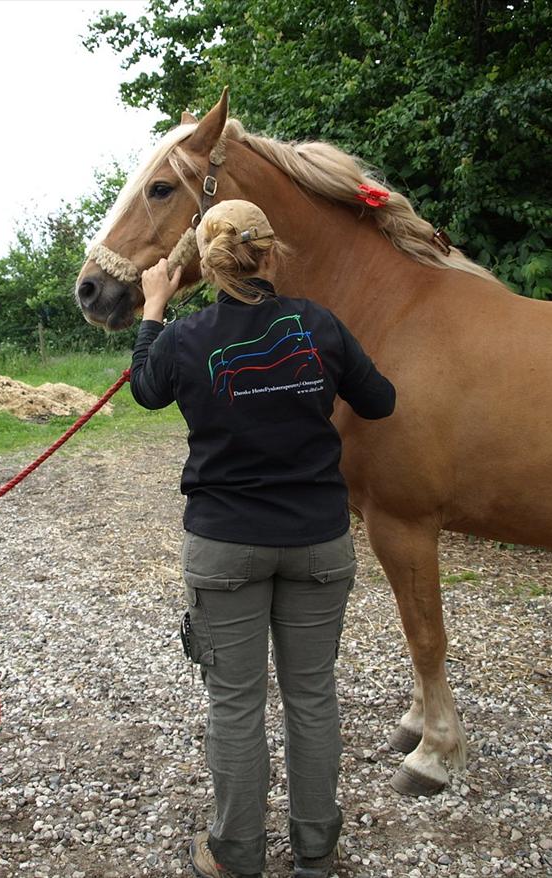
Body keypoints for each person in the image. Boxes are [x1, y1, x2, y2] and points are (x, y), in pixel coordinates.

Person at [130, 199, 396, 878]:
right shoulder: (318, 326)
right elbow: (381, 401)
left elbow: (146, 391)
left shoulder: (186, 339)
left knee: (235, 702)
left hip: (226, 546)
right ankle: (316, 853)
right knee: (312, 696)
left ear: (208, 263)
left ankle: (237, 856)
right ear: (272, 253)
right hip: (317, 542)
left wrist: (154, 307)